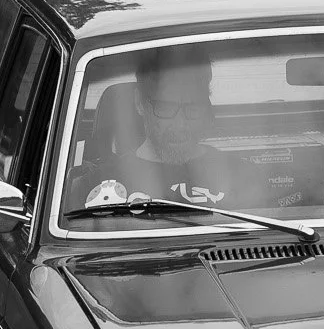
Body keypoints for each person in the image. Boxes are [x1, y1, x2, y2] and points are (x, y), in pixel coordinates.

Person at [80, 50, 238, 209]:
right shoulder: (96, 187)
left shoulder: (242, 176)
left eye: (193, 107)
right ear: (139, 103)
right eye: (165, 107)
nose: (180, 124)